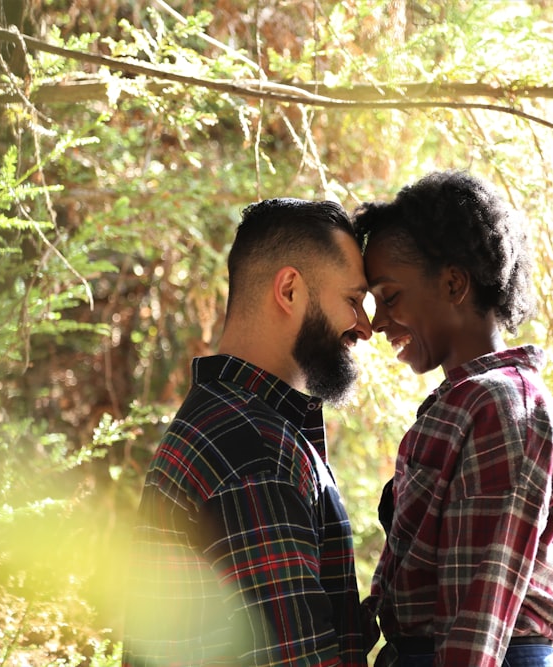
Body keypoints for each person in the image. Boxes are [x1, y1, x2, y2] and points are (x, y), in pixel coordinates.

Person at [123, 198, 375, 666]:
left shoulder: (231, 423)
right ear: (290, 290)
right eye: (353, 301)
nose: (365, 327)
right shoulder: (253, 452)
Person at [354, 171, 553, 667]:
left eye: (389, 297)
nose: (375, 323)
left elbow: (483, 604)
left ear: (454, 283)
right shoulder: (467, 402)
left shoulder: (504, 406)